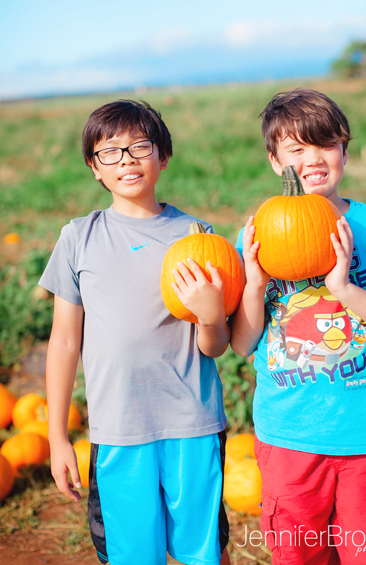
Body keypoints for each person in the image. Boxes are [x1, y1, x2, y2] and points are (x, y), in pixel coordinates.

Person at [230, 88, 366, 564]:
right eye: (296, 149)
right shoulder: (258, 234)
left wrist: (344, 288)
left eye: (325, 144)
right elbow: (241, 343)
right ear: (276, 162)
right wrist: (254, 285)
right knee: (299, 556)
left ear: (344, 149)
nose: (313, 159)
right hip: (288, 437)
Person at [39, 99, 232, 565]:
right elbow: (64, 342)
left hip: (193, 423)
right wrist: (57, 437)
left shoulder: (197, 237)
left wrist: (212, 317)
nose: (126, 159)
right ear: (94, 167)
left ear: (163, 156)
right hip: (117, 429)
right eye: (110, 151)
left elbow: (215, 346)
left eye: (140, 146)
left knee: (205, 551)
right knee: (132, 555)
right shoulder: (78, 238)